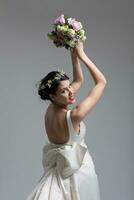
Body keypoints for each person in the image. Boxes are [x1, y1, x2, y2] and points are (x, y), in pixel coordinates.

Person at [26, 42, 107, 200]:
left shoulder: (51, 109)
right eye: (64, 90)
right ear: (53, 96)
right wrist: (83, 55)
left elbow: (78, 80)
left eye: (69, 86)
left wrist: (74, 55)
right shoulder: (74, 115)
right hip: (80, 172)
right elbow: (102, 82)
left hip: (60, 170)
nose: (71, 91)